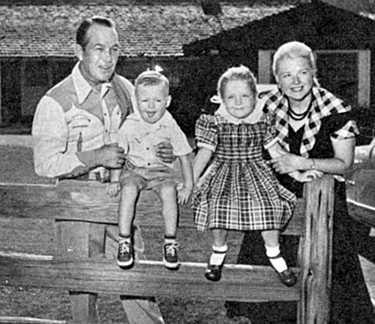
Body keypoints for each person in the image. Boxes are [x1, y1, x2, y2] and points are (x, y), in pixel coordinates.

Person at [32, 16, 172, 324]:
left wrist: (162, 148)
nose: (108, 58)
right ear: (79, 51)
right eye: (99, 49)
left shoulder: (126, 89)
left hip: (119, 200)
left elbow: (150, 132)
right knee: (83, 293)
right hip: (75, 205)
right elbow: (44, 164)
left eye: (114, 49)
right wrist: (95, 156)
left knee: (137, 284)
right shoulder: (55, 101)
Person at [226, 41, 375, 323]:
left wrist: (301, 162)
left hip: (324, 206)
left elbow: (343, 164)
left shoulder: (336, 109)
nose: (296, 81)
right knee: (270, 294)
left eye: (302, 73)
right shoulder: (267, 108)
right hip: (276, 207)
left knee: (328, 293)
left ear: (313, 72)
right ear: (277, 79)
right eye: (287, 75)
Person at [191, 65, 320, 284]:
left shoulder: (262, 121)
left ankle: (275, 254)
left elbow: (276, 152)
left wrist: (297, 174)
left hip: (256, 172)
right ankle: (218, 253)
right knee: (217, 204)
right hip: (224, 170)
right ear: (221, 99)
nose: (238, 102)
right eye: (231, 97)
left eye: (244, 96)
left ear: (254, 98)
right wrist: (189, 182)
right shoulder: (215, 123)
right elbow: (204, 153)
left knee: (268, 205)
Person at [107, 70, 193, 270]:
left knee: (169, 192)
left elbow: (184, 156)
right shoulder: (130, 124)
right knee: (128, 190)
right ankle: (124, 240)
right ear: (136, 101)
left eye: (158, 100)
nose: (151, 106)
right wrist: (114, 180)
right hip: (134, 171)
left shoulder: (170, 125)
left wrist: (187, 186)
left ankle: (170, 242)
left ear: (168, 101)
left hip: (159, 173)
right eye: (145, 101)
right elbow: (118, 154)